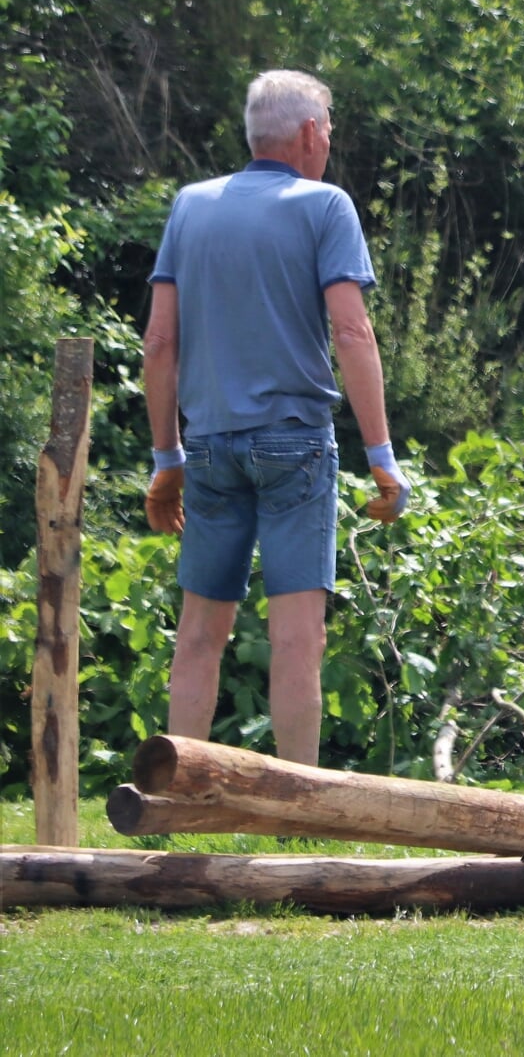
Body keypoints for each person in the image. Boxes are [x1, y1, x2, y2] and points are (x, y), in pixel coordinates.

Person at [143, 69, 408, 766]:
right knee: (297, 637)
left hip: (207, 447)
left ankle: (175, 798)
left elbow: (160, 342)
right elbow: (352, 334)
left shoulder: (189, 207)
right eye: (331, 133)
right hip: (294, 444)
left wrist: (165, 460)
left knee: (199, 633)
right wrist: (380, 452)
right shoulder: (325, 206)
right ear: (310, 133)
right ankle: (297, 809)